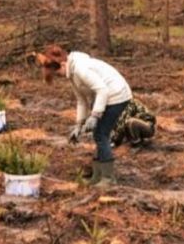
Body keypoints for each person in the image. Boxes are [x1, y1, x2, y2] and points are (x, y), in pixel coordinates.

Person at [37, 45, 132, 185]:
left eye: (57, 73)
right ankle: (97, 175)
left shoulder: (81, 69)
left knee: (101, 134)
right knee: (98, 134)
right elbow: (81, 101)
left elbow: (102, 90)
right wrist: (79, 125)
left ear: (62, 64)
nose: (59, 77)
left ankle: (108, 178)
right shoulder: (73, 73)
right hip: (105, 97)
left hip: (117, 95)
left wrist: (94, 115)